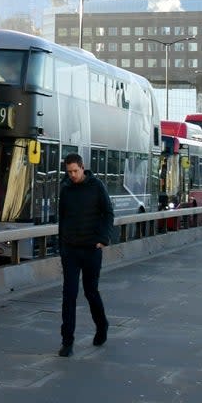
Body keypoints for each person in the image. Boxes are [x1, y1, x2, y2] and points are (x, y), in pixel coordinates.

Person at [56, 153, 113, 357]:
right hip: (70, 250)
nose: (72, 175)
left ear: (82, 168)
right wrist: (62, 244)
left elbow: (108, 213)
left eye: (75, 171)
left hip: (91, 249)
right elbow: (62, 218)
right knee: (68, 296)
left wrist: (103, 238)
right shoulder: (66, 189)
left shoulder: (97, 186)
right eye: (69, 172)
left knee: (91, 292)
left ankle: (102, 325)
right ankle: (67, 342)